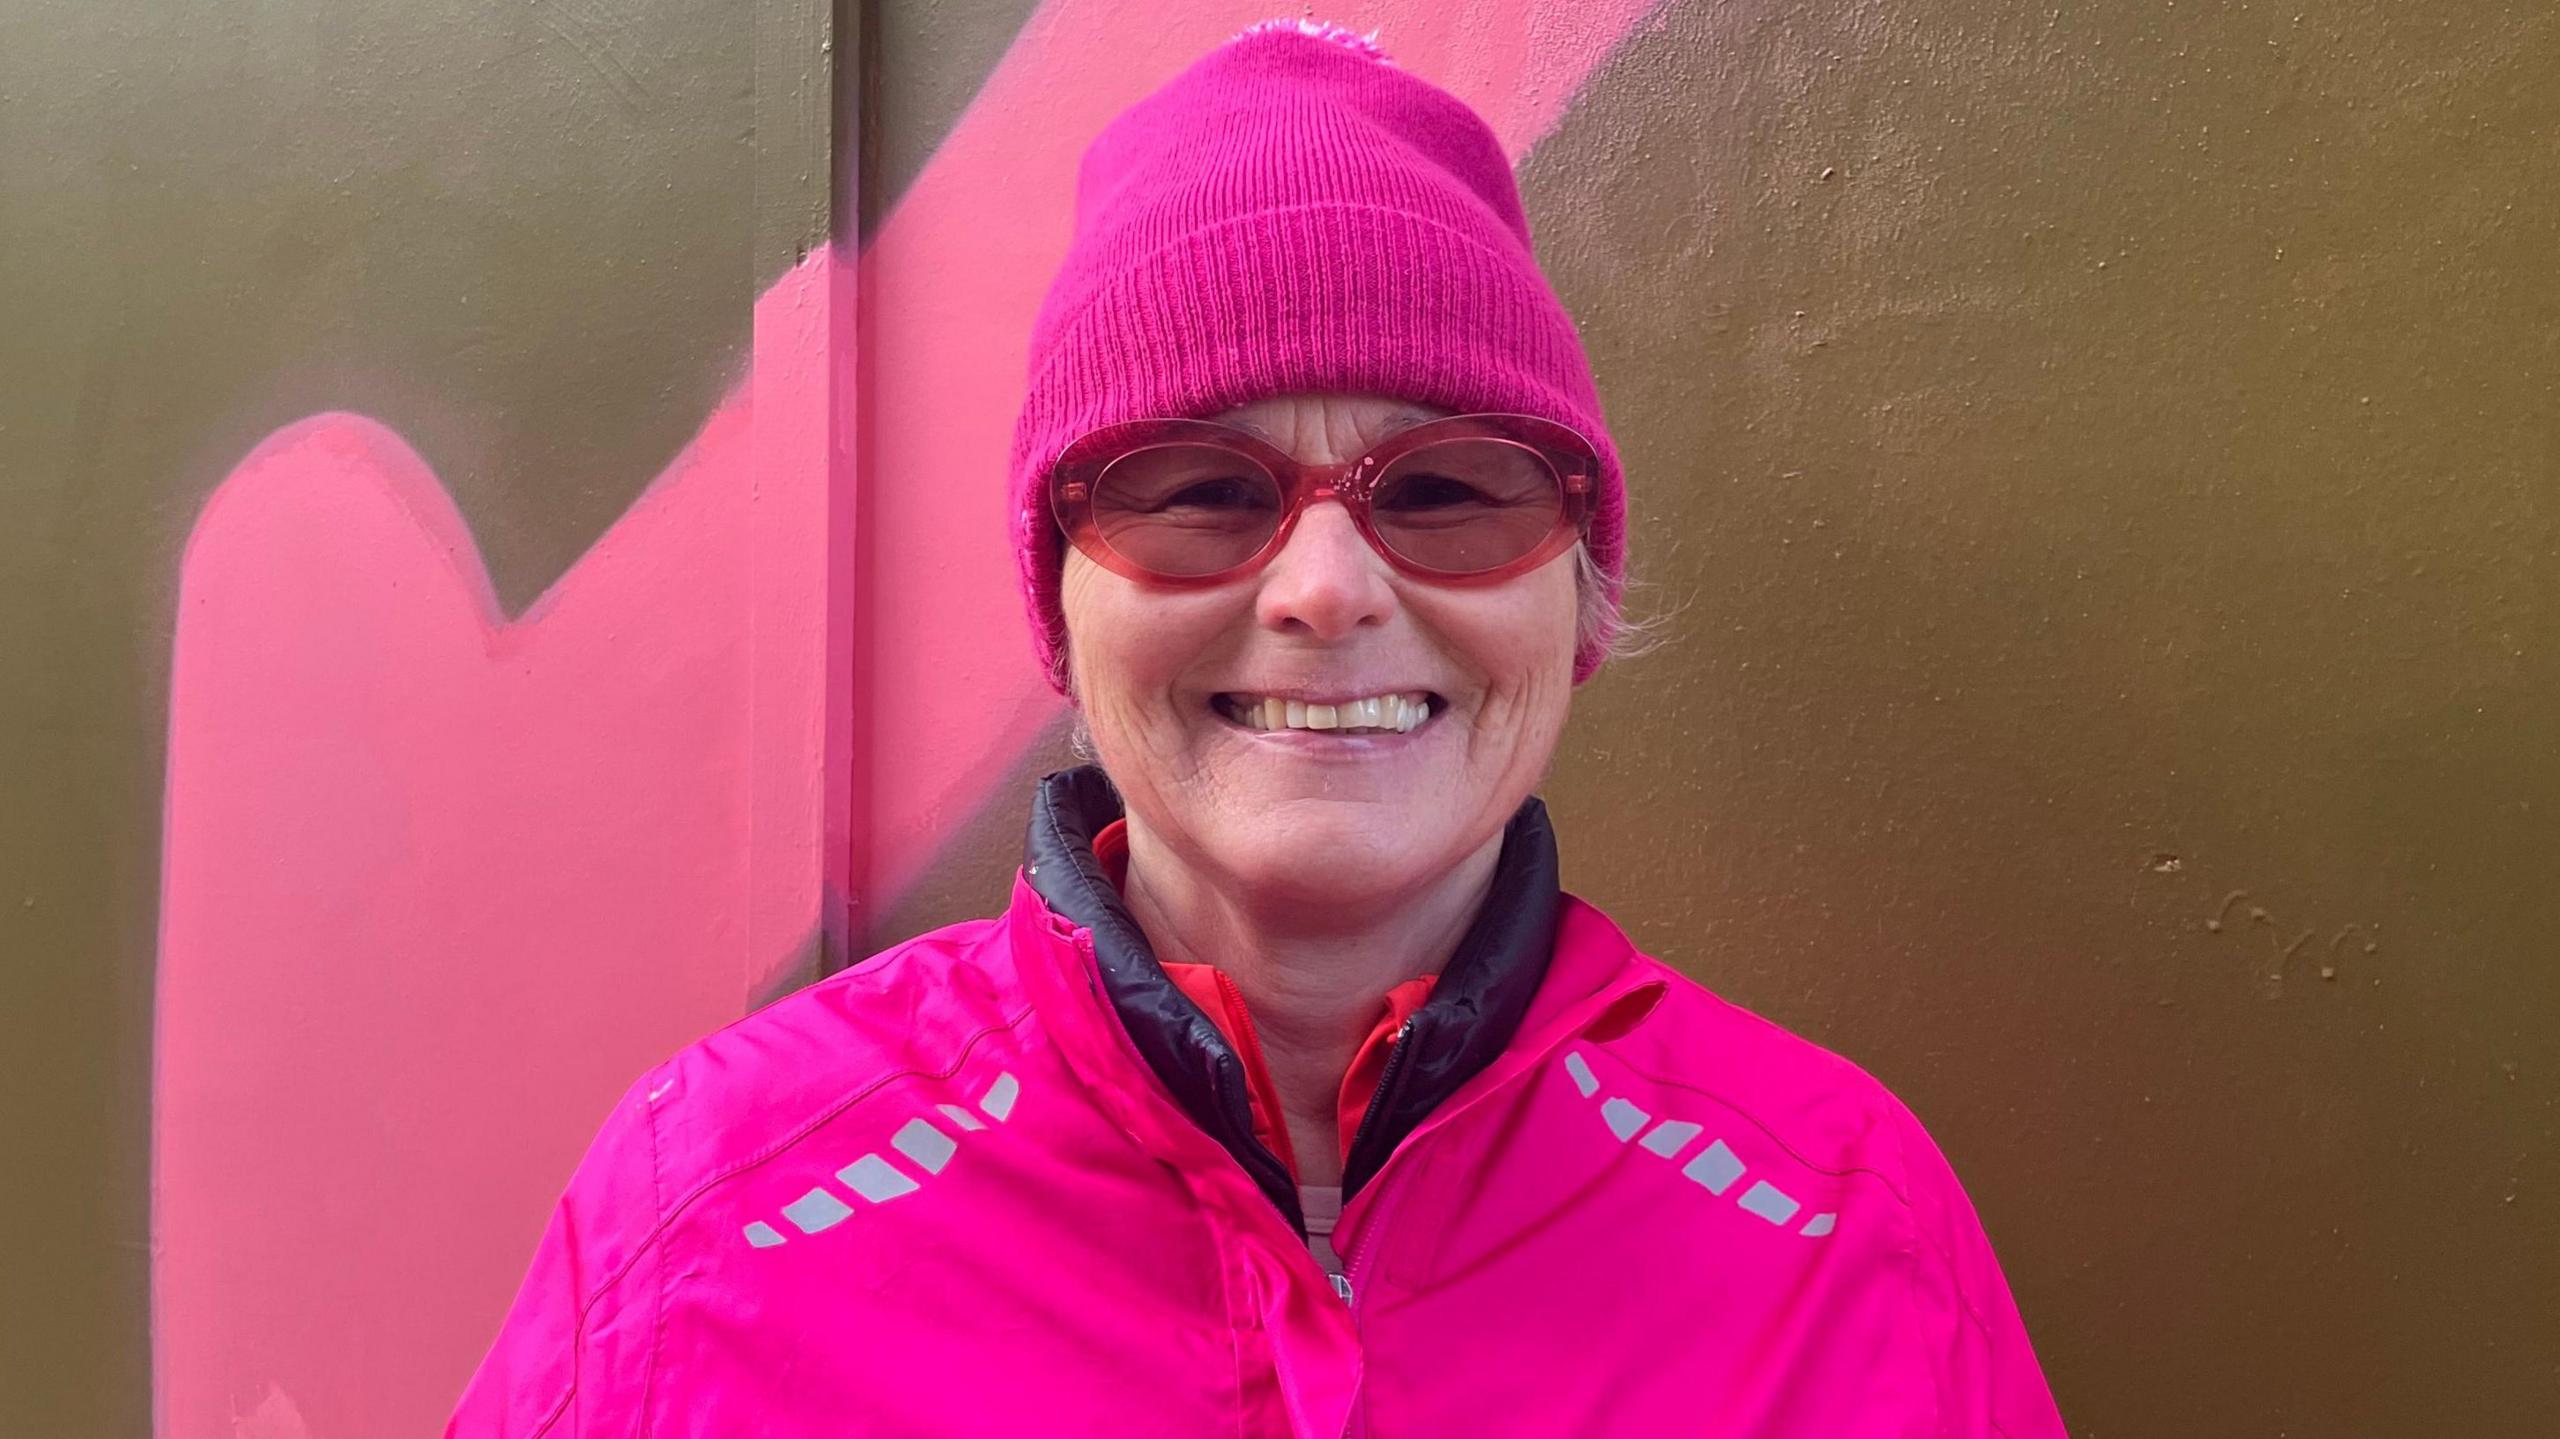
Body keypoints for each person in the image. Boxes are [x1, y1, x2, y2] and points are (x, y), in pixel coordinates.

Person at [449, 21, 2067, 1437]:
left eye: (1447, 490)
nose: (1324, 588)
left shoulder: (1848, 1228)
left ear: (1576, 602)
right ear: (1063, 609)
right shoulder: (709, 1222)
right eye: (1199, 494)